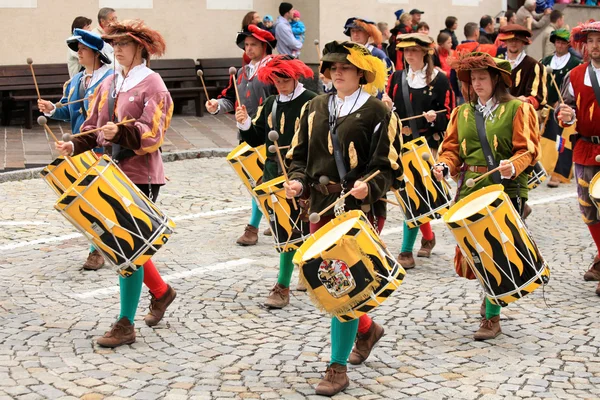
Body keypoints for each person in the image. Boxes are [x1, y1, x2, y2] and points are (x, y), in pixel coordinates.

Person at [284, 40, 402, 397]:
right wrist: (297, 180)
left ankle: (336, 368)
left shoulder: (378, 112)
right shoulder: (315, 107)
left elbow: (389, 166)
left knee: (343, 284)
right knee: (335, 283)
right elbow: (298, 154)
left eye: (345, 67)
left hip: (360, 209)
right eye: (331, 67)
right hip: (320, 206)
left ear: (361, 73)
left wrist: (371, 186)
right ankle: (367, 329)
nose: (336, 72)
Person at [54, 19, 177, 347]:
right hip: (111, 171)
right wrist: (74, 145)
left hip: (141, 173)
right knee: (126, 247)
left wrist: (121, 131)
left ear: (140, 48)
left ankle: (126, 323)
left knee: (128, 250)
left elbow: (155, 131)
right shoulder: (110, 82)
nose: (117, 49)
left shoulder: (153, 84)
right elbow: (94, 124)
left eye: (124, 44)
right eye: (115, 44)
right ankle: (162, 293)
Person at [433, 51, 541, 340]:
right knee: (474, 253)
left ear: (496, 79)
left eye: (482, 77)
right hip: (471, 186)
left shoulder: (519, 109)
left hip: (506, 187)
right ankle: (491, 292)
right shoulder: (462, 112)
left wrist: (512, 166)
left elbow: (528, 150)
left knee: (497, 251)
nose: (476, 83)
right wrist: (444, 166)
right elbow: (451, 150)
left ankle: (492, 317)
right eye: (472, 79)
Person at [235, 55, 317, 308]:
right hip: (274, 173)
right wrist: (246, 123)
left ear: (295, 77)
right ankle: (302, 270)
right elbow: (257, 138)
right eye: (275, 80)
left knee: (297, 228)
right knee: (285, 228)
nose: (280, 85)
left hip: (302, 172)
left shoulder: (313, 101)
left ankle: (283, 285)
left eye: (284, 80)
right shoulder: (271, 103)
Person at [39, 29, 113, 270]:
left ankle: (97, 250)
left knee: (100, 200)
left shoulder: (111, 79)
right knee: (86, 202)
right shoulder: (75, 82)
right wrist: (52, 108)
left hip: (103, 148)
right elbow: (66, 112)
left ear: (96, 53)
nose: (78, 53)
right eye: (77, 49)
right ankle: (99, 244)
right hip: (79, 151)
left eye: (82, 49)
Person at [383, 33, 454, 270]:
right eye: (405, 51)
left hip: (426, 145)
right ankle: (428, 236)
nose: (409, 55)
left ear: (426, 52)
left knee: (416, 194)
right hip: (401, 144)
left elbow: (450, 113)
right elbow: (390, 110)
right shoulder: (396, 78)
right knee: (408, 194)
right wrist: (385, 106)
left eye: (414, 50)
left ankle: (405, 250)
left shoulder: (440, 80)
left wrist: (436, 118)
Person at [205, 24, 277, 246]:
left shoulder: (275, 69)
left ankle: (253, 228)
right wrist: (216, 104)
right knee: (255, 180)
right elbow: (231, 100)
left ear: (264, 46)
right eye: (246, 45)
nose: (249, 49)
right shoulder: (242, 72)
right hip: (246, 133)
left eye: (253, 44)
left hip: (270, 134)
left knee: (262, 180)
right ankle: (275, 220)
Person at [556, 21, 600, 295]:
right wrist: (565, 115)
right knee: (588, 208)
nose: (596, 46)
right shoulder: (574, 75)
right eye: (592, 41)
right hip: (585, 148)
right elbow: (564, 109)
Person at [541, 29, 581, 187]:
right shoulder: (545, 61)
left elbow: (575, 88)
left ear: (568, 44)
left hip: (565, 108)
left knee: (564, 141)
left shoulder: (575, 64)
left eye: (563, 43)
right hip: (548, 107)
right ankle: (549, 168)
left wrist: (562, 102)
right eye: (557, 42)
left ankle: (560, 173)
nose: (560, 45)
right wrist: (546, 101)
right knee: (549, 140)